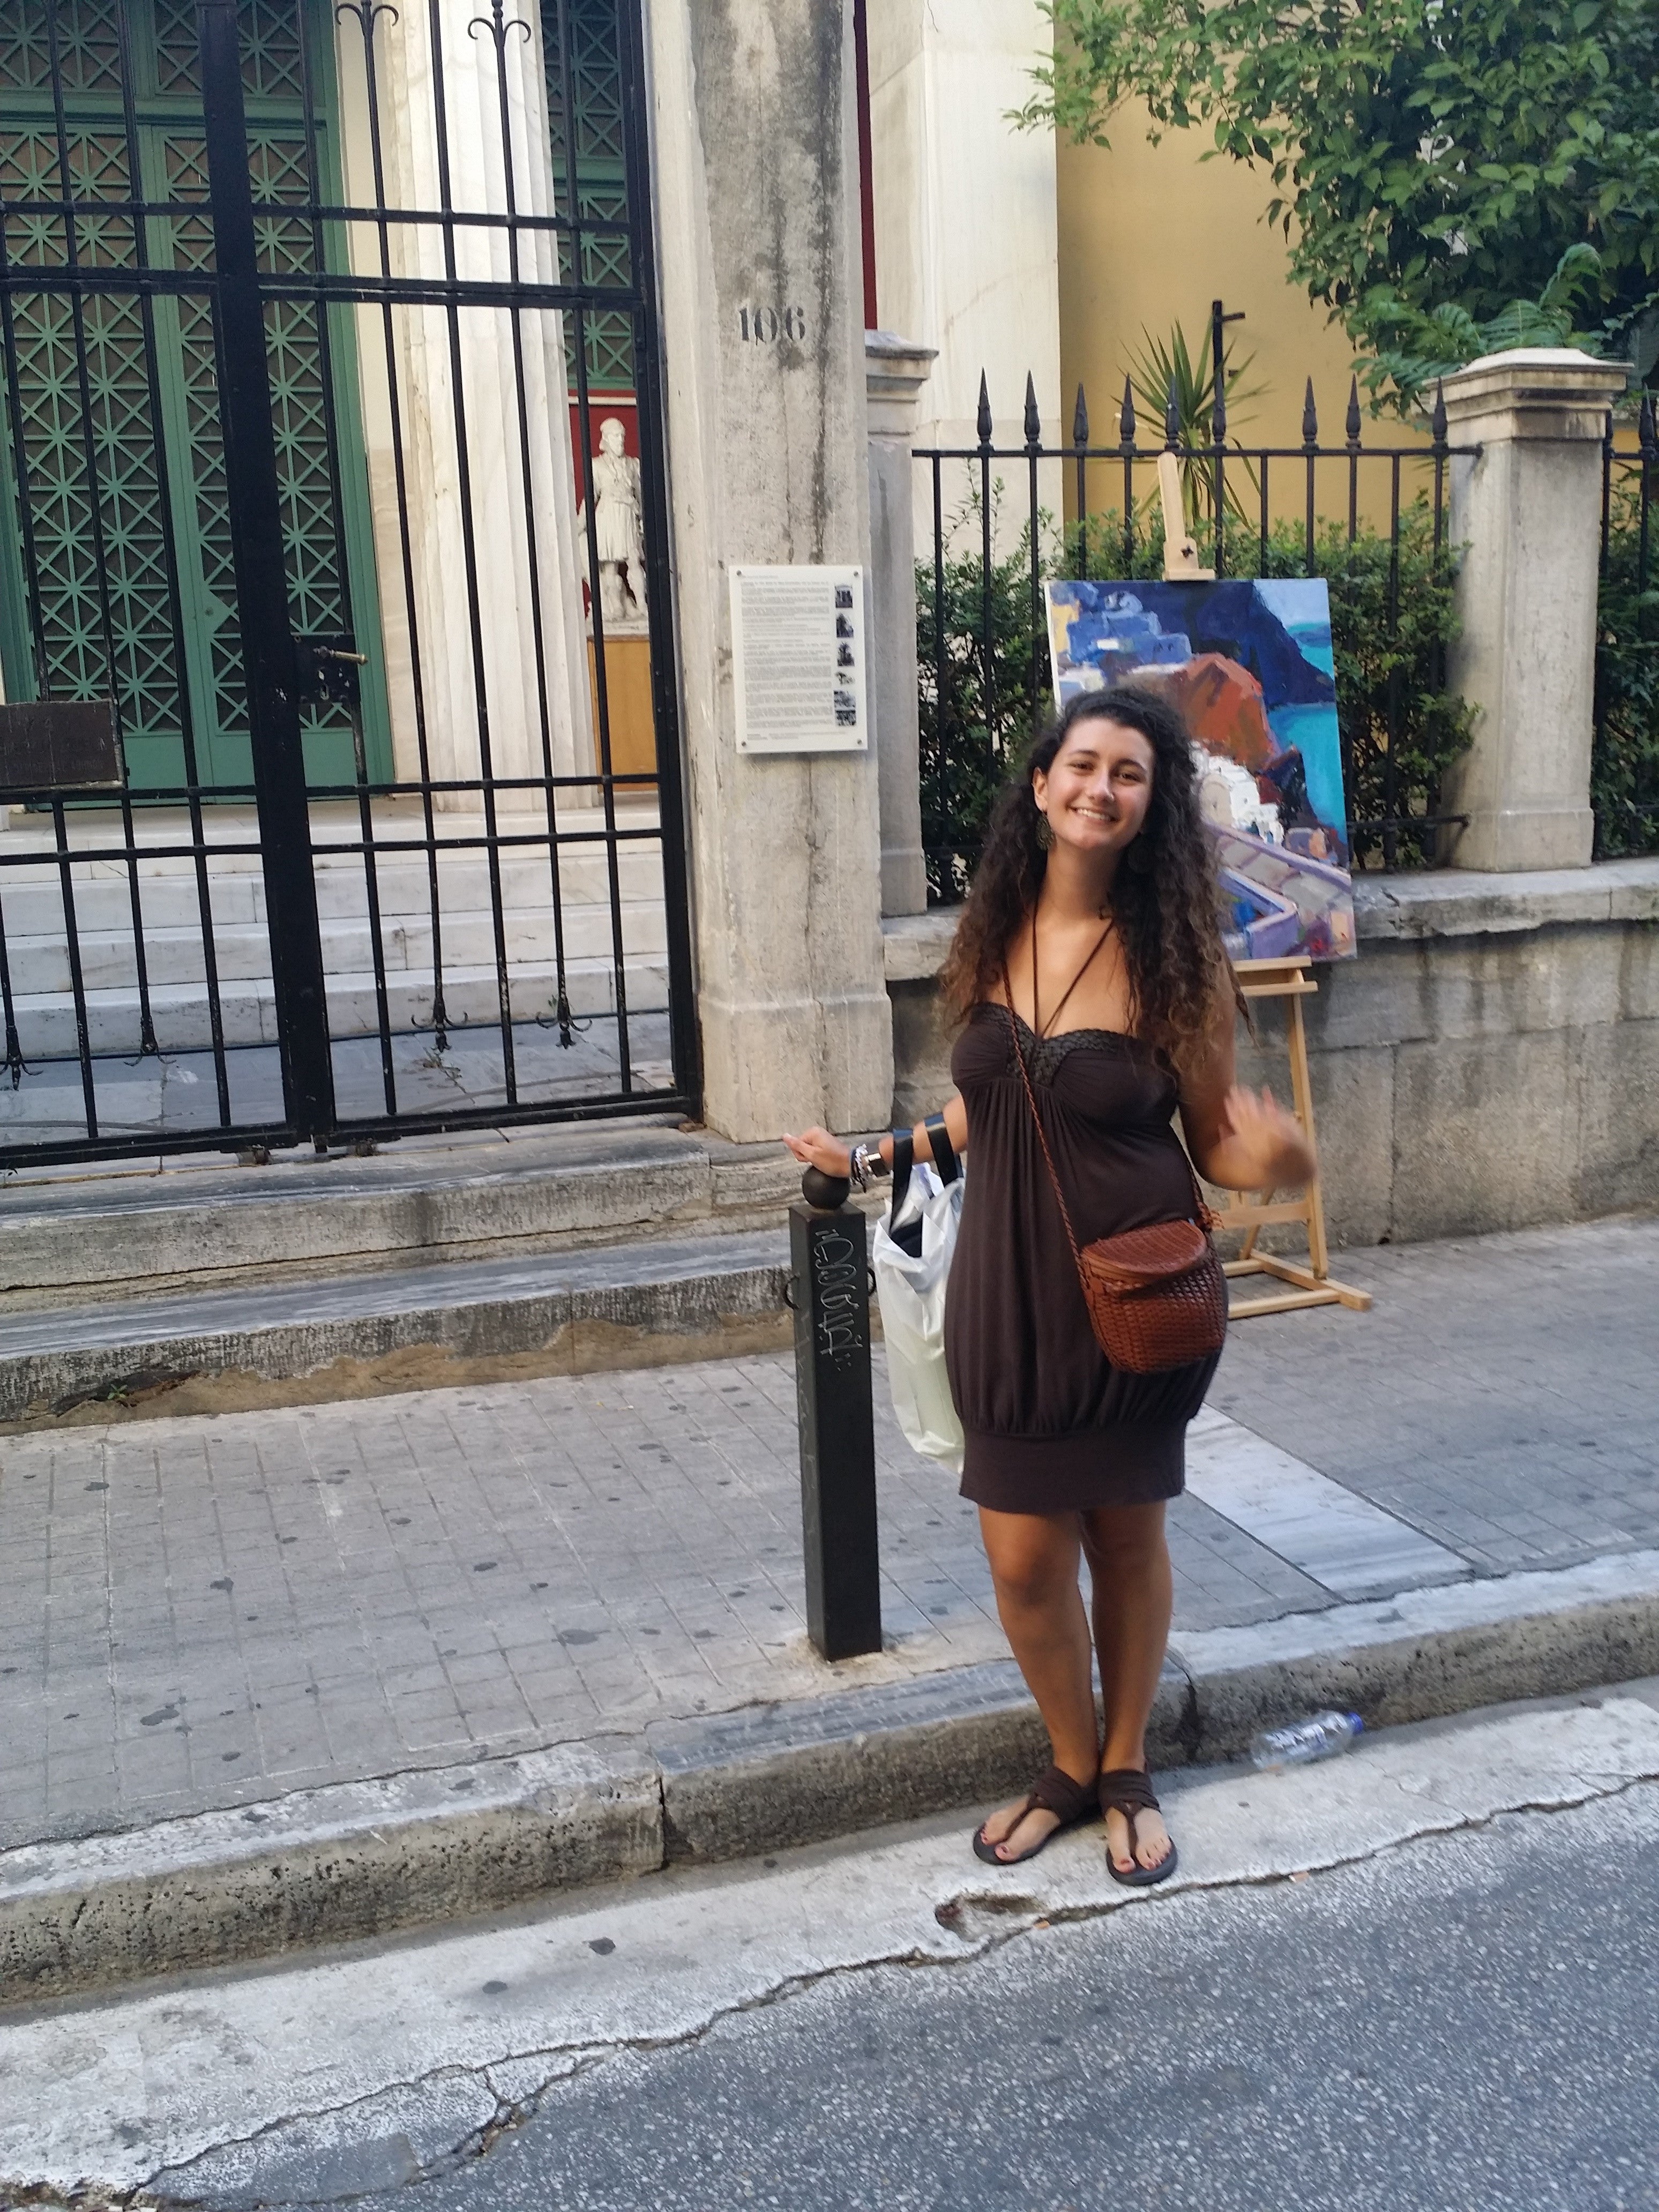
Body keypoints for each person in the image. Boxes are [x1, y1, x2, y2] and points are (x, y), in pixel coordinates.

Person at [784, 685, 1314, 1885]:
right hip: (1005, 1296)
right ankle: (1068, 1764)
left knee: (1125, 1538)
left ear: (1150, 806)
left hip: (1131, 1292)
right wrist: (874, 1155)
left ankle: (1123, 1770)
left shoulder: (1177, 959)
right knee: (1024, 1557)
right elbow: (993, 1102)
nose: (1101, 787)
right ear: (1042, 785)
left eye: (1129, 774)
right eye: (1083, 765)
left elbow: (1222, 1140)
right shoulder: (996, 928)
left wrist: (1283, 1162)